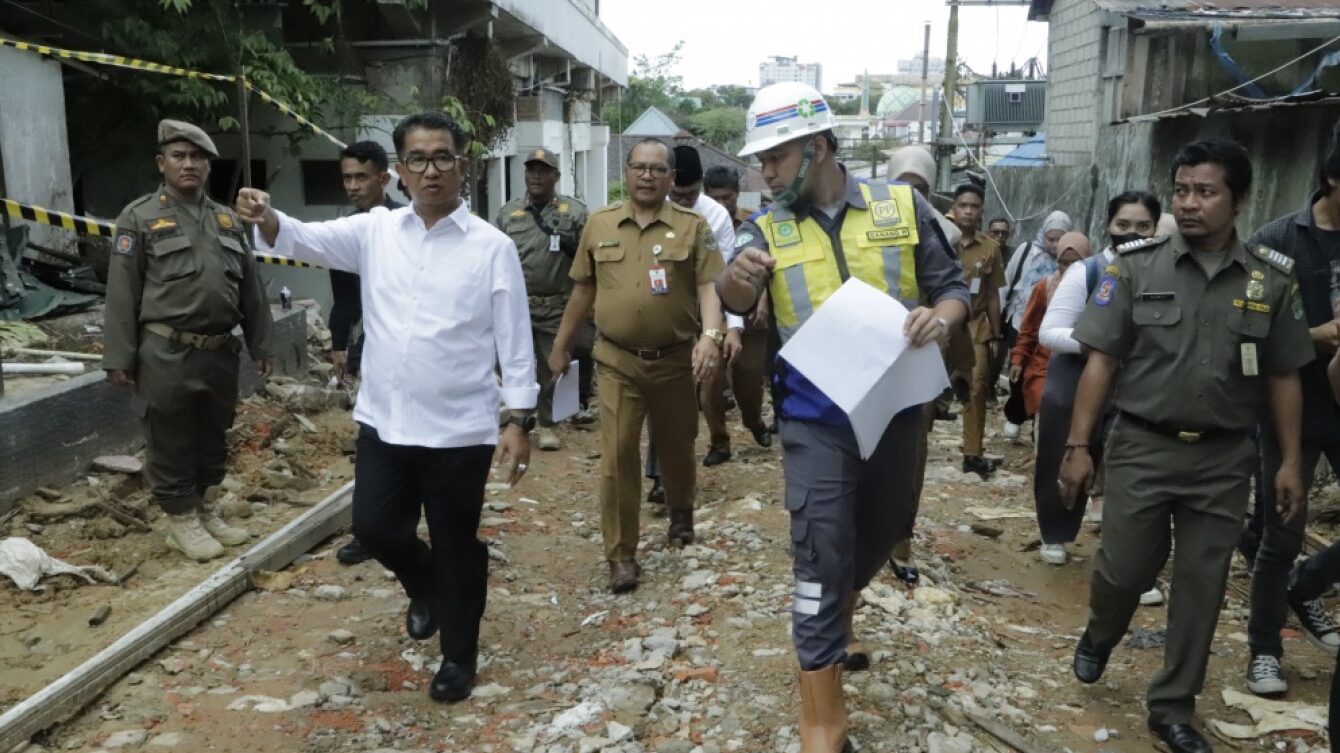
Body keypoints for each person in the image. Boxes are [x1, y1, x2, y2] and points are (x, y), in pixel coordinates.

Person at [236, 112, 538, 705]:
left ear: (462, 166)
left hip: (458, 432)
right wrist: (267, 216)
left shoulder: (492, 247)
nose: (432, 171)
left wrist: (518, 419)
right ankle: (423, 584)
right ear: (399, 171)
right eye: (418, 160)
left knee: (456, 544)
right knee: (373, 528)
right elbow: (301, 237)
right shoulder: (375, 231)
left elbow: (515, 340)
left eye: (443, 158)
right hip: (385, 421)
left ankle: (458, 655)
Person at [719, 82, 969, 753]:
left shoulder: (902, 205)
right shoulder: (765, 224)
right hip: (812, 416)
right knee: (821, 551)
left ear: (818, 146)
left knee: (882, 532)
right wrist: (739, 281)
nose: (764, 171)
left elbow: (952, 288)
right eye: (760, 159)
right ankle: (823, 722)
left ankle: (838, 603)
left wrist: (939, 320)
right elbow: (732, 290)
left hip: (895, 410)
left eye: (775, 156)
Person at [1059, 138, 1312, 753]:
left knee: (1202, 585)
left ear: (1239, 198)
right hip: (1143, 449)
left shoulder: (1270, 280)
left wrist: (1292, 462)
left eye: (1206, 191)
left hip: (1224, 460)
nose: (1190, 204)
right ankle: (1101, 631)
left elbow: (1283, 376)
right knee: (1122, 572)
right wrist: (1078, 445)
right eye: (1182, 191)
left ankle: (1172, 708)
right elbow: (1100, 362)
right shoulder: (1133, 267)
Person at [547, 138, 726, 594]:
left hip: (675, 360)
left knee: (678, 443)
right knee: (618, 454)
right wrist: (561, 346)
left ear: (670, 178)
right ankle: (621, 555)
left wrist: (711, 338)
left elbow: (709, 288)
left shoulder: (693, 226)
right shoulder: (600, 223)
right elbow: (583, 290)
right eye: (639, 168)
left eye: (657, 169)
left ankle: (681, 512)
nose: (647, 176)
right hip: (617, 361)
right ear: (626, 172)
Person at [103, 119, 273, 563]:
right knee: (171, 437)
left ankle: (204, 509)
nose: (189, 164)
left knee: (214, 436)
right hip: (165, 351)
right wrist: (118, 356)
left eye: (198, 157)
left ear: (209, 166)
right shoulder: (138, 218)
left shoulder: (227, 220)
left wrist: (262, 343)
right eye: (179, 156)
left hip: (219, 352)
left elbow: (251, 288)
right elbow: (121, 293)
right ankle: (181, 521)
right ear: (162, 164)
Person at [1242, 121, 1340, 696]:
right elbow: (1247, 334)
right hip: (1291, 405)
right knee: (1282, 529)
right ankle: (1264, 650)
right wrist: (1316, 335)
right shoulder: (1277, 239)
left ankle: (1308, 586)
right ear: (1331, 177)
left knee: (1293, 551)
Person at [1036, 191, 1160, 568]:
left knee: (1133, 466)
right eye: (1123, 225)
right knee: (1065, 451)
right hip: (1077, 378)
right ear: (1108, 226)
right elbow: (1050, 332)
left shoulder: (1163, 273)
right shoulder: (1086, 272)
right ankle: (1056, 531)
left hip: (1136, 382)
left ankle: (1128, 553)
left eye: (1143, 226)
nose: (1132, 233)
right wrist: (1100, 347)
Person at [884, 144, 968, 586]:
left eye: (919, 188)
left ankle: (901, 541)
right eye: (902, 185)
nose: (909, 196)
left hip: (918, 353)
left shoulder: (945, 235)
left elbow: (953, 296)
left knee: (910, 453)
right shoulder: (865, 225)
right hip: (869, 350)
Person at [667, 144, 767, 467]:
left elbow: (726, 280)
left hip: (718, 308)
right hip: (675, 313)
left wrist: (733, 329)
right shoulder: (653, 208)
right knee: (707, 383)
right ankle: (719, 441)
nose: (683, 203)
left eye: (690, 196)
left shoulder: (716, 216)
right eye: (677, 196)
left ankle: (754, 421)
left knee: (748, 376)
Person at [329, 140, 403, 567]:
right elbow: (342, 295)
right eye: (347, 178)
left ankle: (405, 523)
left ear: (383, 177)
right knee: (371, 437)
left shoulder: (404, 222)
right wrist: (339, 345)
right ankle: (368, 531)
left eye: (361, 177)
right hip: (363, 344)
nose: (353, 186)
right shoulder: (343, 229)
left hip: (402, 345)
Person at [495, 147, 591, 453]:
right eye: (531, 170)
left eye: (543, 170)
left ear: (555, 176)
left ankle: (549, 424)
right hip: (518, 306)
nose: (536, 176)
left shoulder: (574, 212)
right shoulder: (508, 214)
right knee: (513, 362)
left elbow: (589, 259)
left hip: (557, 305)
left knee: (553, 364)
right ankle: (521, 415)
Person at [1009, 231, 1092, 430]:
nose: (1069, 268)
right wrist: (1019, 360)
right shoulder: (1044, 287)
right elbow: (1029, 327)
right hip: (1045, 363)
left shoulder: (1098, 287)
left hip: (1083, 362)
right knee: (1045, 403)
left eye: (1076, 263)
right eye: (1063, 263)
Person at [1000, 211, 1071, 439]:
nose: (1054, 244)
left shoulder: (1072, 263)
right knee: (1018, 372)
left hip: (1051, 329)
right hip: (1020, 320)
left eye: (1060, 239)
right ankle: (1016, 415)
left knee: (1042, 376)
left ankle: (1036, 421)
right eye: (1050, 239)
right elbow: (1008, 279)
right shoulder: (1027, 251)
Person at [953, 183, 1005, 480]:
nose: (968, 211)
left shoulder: (990, 249)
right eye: (963, 205)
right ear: (954, 208)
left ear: (981, 210)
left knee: (977, 386)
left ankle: (973, 453)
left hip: (975, 325)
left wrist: (996, 335)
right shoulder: (941, 240)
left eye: (974, 206)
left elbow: (993, 293)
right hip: (942, 321)